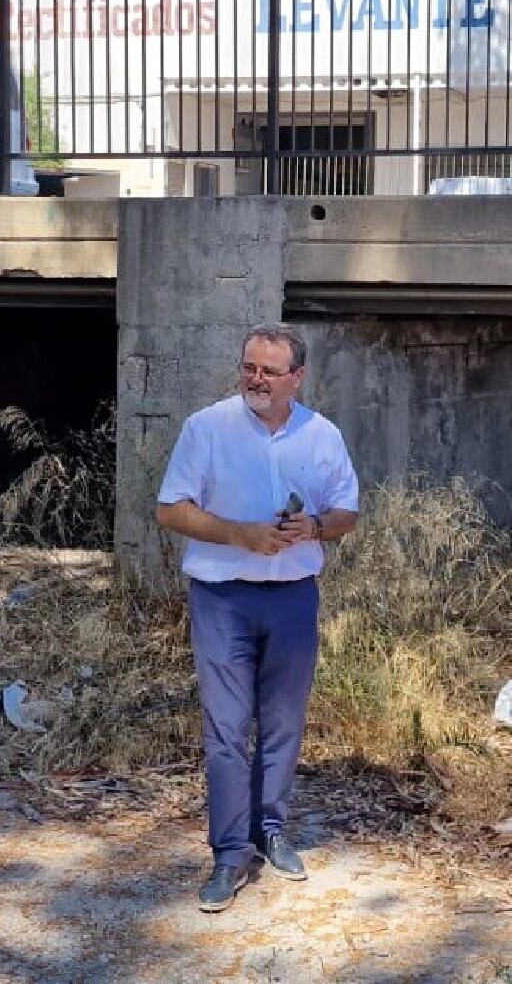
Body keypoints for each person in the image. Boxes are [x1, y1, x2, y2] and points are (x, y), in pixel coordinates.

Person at [156, 323, 360, 913]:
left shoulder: (321, 435)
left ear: (298, 376)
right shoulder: (207, 427)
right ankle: (227, 855)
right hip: (222, 598)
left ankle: (270, 831)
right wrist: (238, 534)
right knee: (226, 728)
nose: (257, 380)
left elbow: (348, 510)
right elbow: (171, 509)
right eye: (250, 367)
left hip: (293, 595)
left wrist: (315, 528)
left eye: (270, 371)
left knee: (283, 723)